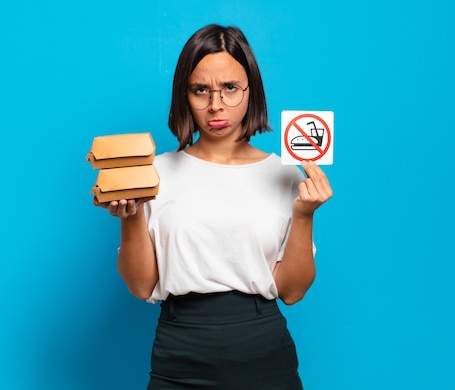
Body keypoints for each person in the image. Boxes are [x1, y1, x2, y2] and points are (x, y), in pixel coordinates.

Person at [93, 23, 333, 389]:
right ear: (184, 95)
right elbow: (142, 286)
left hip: (261, 344)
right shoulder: (154, 172)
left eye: (230, 88)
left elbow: (292, 291)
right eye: (200, 90)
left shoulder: (283, 173)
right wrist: (131, 217)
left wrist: (304, 214)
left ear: (251, 90)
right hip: (179, 343)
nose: (216, 104)